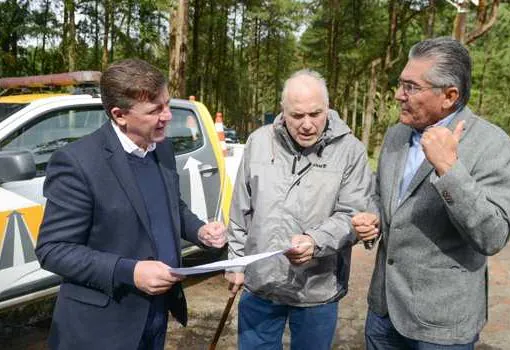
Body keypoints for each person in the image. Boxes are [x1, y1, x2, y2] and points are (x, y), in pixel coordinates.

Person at [35, 58, 226, 350]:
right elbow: (53, 250)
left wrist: (200, 231)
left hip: (155, 316)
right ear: (119, 115)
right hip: (101, 329)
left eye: (167, 104)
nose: (167, 116)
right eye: (155, 110)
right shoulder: (78, 163)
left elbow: (171, 208)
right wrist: (129, 271)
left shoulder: (161, 147)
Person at [352, 37, 510, 349]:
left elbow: (493, 236)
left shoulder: (493, 145)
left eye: (411, 87)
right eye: (400, 84)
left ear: (449, 96)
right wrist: (371, 218)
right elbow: (381, 195)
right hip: (383, 312)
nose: (399, 95)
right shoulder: (396, 134)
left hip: (441, 327)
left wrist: (448, 169)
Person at [225, 69, 374, 349]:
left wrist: (315, 241)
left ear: (327, 108)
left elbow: (353, 213)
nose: (307, 124)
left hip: (317, 288)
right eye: (297, 116)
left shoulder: (351, 151)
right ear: (282, 111)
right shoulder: (259, 142)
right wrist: (235, 262)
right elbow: (240, 210)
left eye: (315, 114)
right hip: (261, 283)